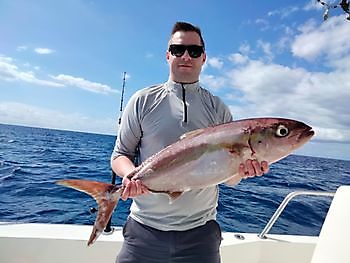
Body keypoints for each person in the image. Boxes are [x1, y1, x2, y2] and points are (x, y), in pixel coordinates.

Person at [111, 21, 269, 263]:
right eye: (178, 50)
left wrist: (244, 171)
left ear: (204, 58)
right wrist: (131, 176)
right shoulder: (142, 100)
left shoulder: (217, 108)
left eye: (194, 51)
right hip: (144, 230)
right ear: (167, 55)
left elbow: (230, 179)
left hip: (200, 235)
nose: (186, 56)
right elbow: (120, 154)